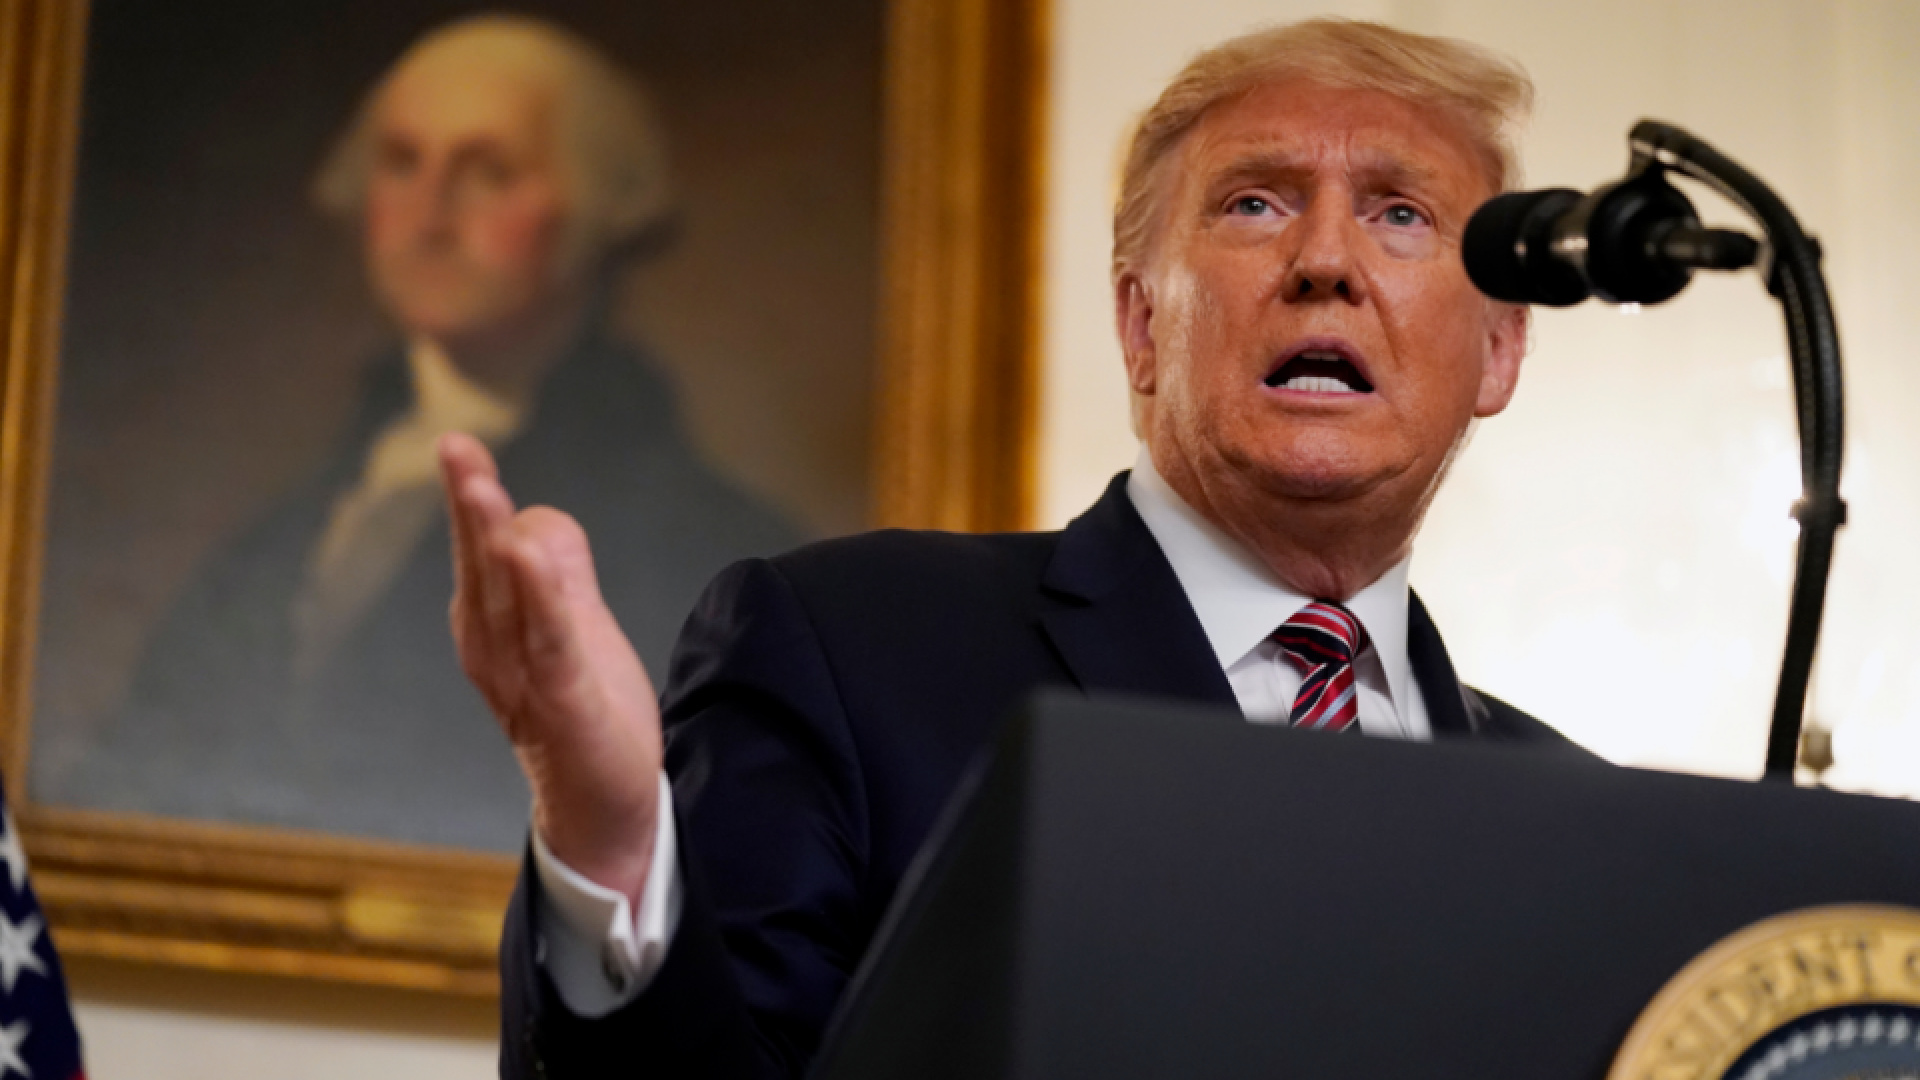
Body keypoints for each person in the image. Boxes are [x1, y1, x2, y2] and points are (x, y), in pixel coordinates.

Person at [440, 17, 1587, 1077]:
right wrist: (611, 842)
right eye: (1255, 204)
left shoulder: (1575, 824)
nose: (1326, 258)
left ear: (1498, 351)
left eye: (1402, 213)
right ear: (1142, 325)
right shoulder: (847, 648)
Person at [58, 16, 800, 852]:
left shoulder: (704, 544)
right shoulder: (297, 524)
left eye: (489, 172)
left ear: (595, 206)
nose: (431, 212)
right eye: (402, 161)